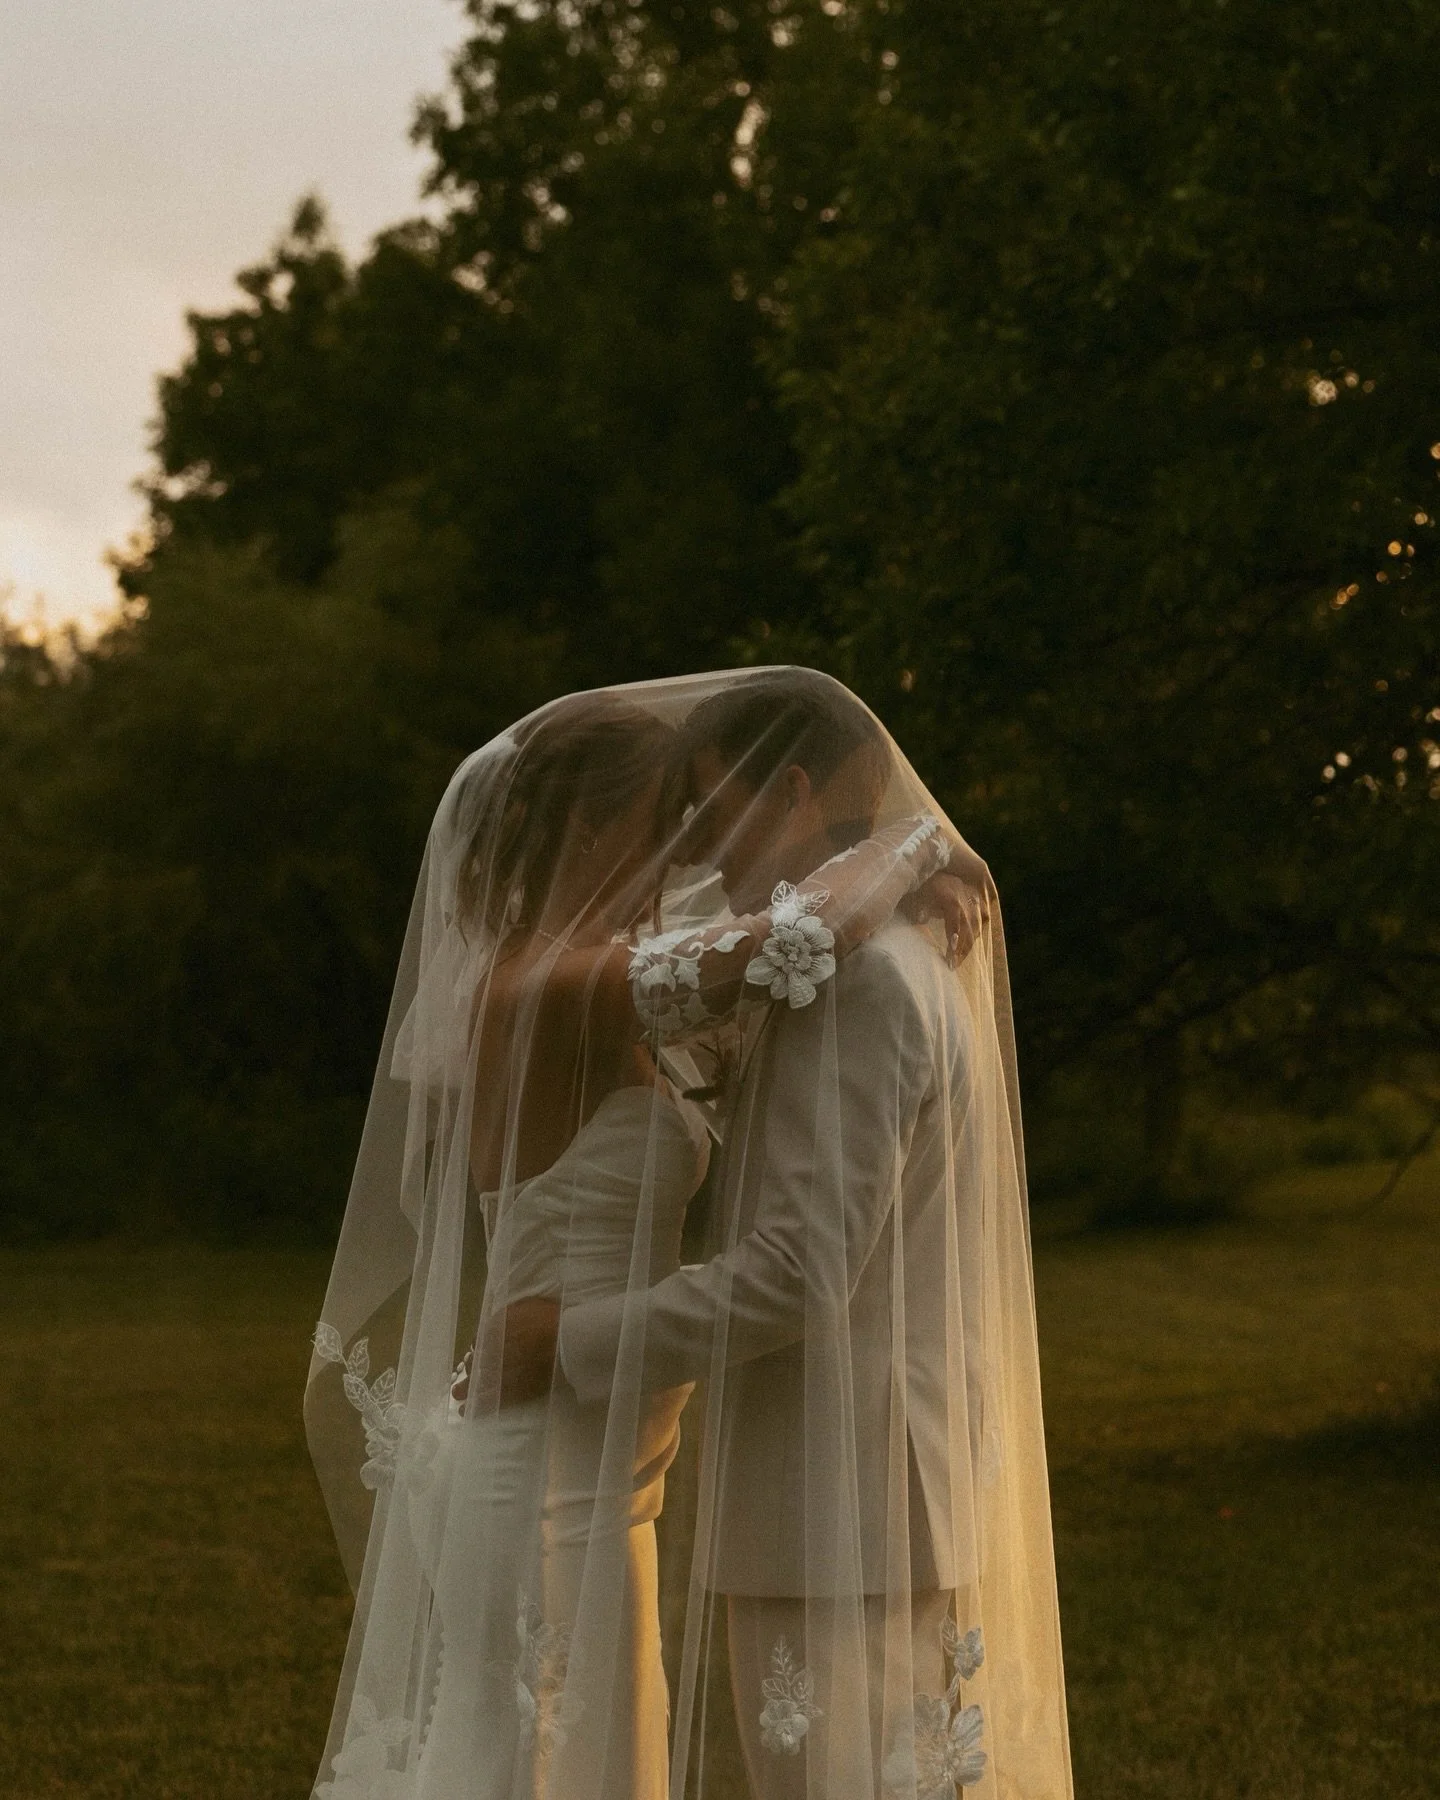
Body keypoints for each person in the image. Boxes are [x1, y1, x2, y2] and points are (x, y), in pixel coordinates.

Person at [303, 671, 994, 1800]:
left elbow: (781, 945)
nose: (691, 861)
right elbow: (803, 930)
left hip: (603, 1456)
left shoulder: (613, 971)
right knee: (535, 1760)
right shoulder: (544, 989)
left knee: (592, 1753)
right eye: (665, 823)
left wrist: (906, 867)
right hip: (540, 1453)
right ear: (586, 826)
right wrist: (921, 841)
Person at [494, 671, 1073, 1800]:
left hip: (839, 1499)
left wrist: (562, 1342)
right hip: (872, 1492)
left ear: (796, 791)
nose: (697, 852)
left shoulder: (852, 988)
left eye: (710, 810)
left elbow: (794, 1275)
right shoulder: (865, 960)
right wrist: (916, 850)